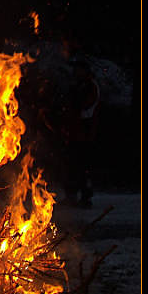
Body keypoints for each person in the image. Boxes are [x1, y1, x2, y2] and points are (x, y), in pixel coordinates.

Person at [63, 59, 101, 208]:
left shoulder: (91, 86)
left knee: (82, 168)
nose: (76, 72)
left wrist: (74, 107)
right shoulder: (77, 86)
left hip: (85, 135)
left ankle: (86, 198)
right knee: (71, 166)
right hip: (74, 133)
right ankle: (71, 196)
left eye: (79, 70)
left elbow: (86, 109)